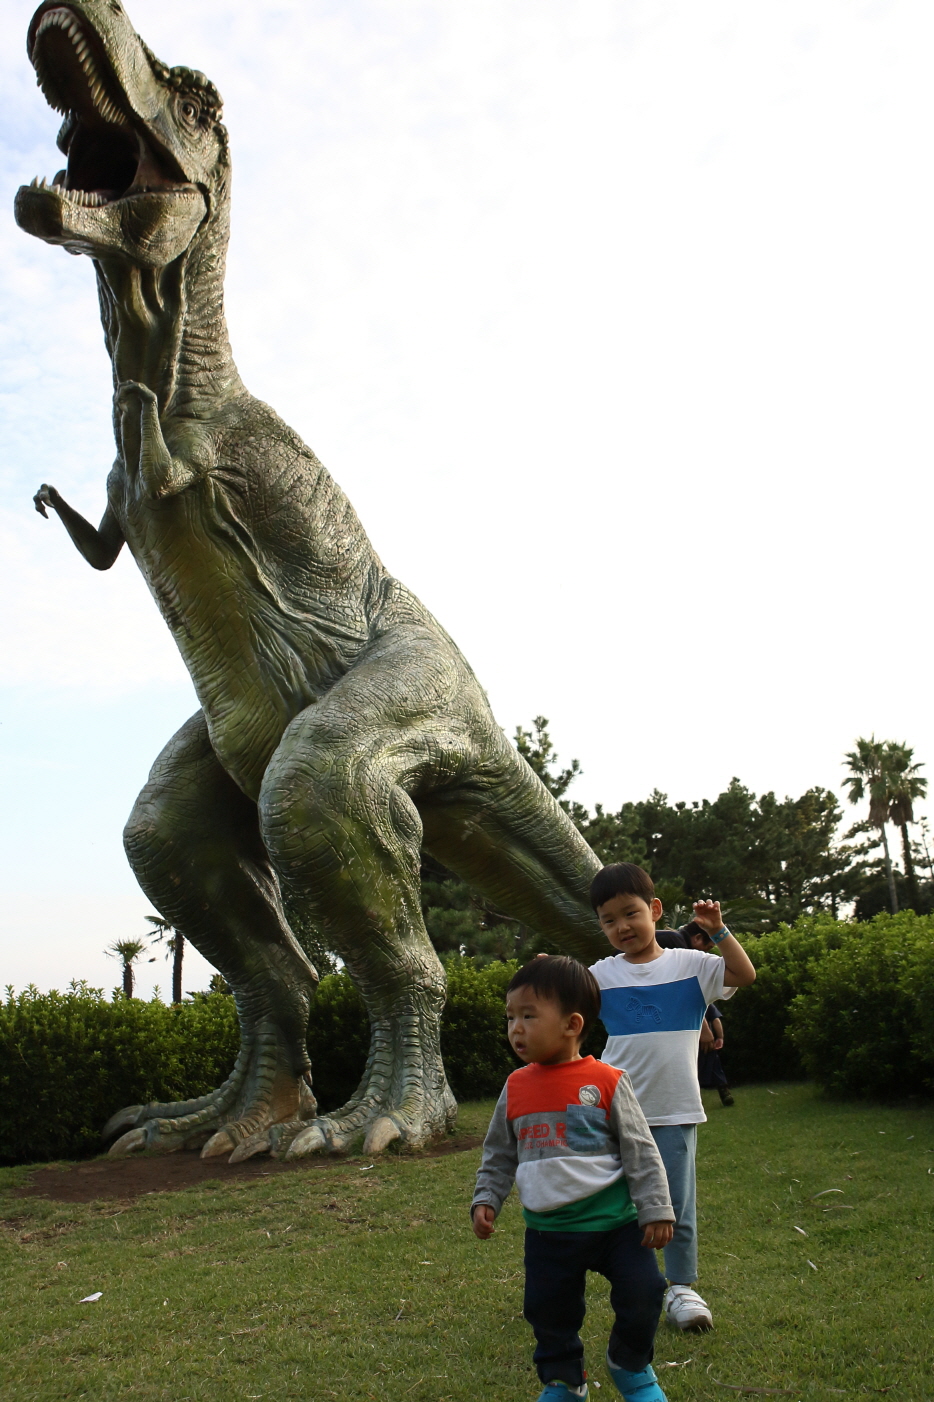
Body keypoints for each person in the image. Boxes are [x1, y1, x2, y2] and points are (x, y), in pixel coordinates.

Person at [471, 955, 675, 1402]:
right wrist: (487, 1197)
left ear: (572, 1024)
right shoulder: (516, 1086)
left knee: (644, 1292)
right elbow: (500, 1152)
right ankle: (564, 1380)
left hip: (617, 1227)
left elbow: (640, 1150)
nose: (516, 1029)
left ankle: (630, 1365)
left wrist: (656, 1208)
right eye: (510, 1017)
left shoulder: (607, 1081)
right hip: (550, 1233)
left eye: (528, 1016)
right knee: (548, 1311)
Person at [589, 864, 756, 1333]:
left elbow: (744, 974)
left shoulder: (692, 965)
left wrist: (718, 930)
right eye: (608, 920)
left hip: (674, 1108)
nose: (622, 926)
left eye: (631, 913)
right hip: (614, 1113)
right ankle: (633, 1280)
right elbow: (562, 1006)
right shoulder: (600, 975)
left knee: (676, 1203)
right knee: (618, 1204)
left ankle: (681, 1288)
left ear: (655, 910)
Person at [697, 1003, 734, 1107]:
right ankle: (724, 1092)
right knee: (715, 1067)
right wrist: (720, 1037)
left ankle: (694, 1097)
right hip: (709, 1043)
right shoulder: (708, 1003)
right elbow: (716, 1020)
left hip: (694, 1043)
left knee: (695, 1071)